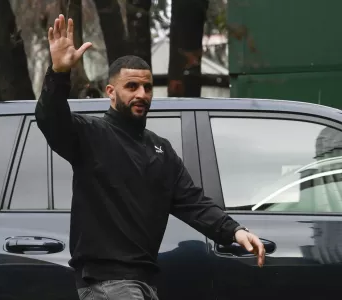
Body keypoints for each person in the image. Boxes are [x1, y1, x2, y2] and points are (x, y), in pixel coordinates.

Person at [35, 14, 265, 300]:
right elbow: (50, 119)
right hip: (106, 282)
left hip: (142, 281)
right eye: (131, 87)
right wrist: (58, 73)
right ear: (111, 92)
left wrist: (235, 231)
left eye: (146, 87)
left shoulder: (160, 150)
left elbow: (192, 202)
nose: (141, 94)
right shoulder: (90, 134)